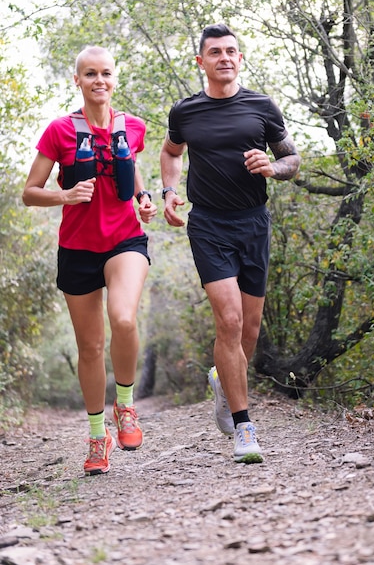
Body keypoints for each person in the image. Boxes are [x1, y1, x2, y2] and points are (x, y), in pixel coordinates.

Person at [160, 24, 301, 464]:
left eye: (232, 51)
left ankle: (224, 380)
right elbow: (170, 153)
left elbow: (292, 158)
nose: (225, 57)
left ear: (240, 59)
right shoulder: (186, 112)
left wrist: (273, 168)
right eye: (215, 52)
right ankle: (244, 427)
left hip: (253, 223)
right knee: (230, 319)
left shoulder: (261, 107)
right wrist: (169, 191)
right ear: (201, 61)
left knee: (250, 331)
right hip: (208, 225)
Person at [23, 45, 157, 476]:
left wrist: (144, 197)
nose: (99, 81)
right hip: (78, 248)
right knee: (90, 347)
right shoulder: (59, 130)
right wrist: (64, 194)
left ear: (115, 79)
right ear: (77, 80)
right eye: (90, 74)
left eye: (106, 74)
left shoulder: (132, 126)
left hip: (125, 241)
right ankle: (98, 437)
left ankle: (126, 406)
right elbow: (30, 191)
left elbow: (129, 164)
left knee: (123, 319)